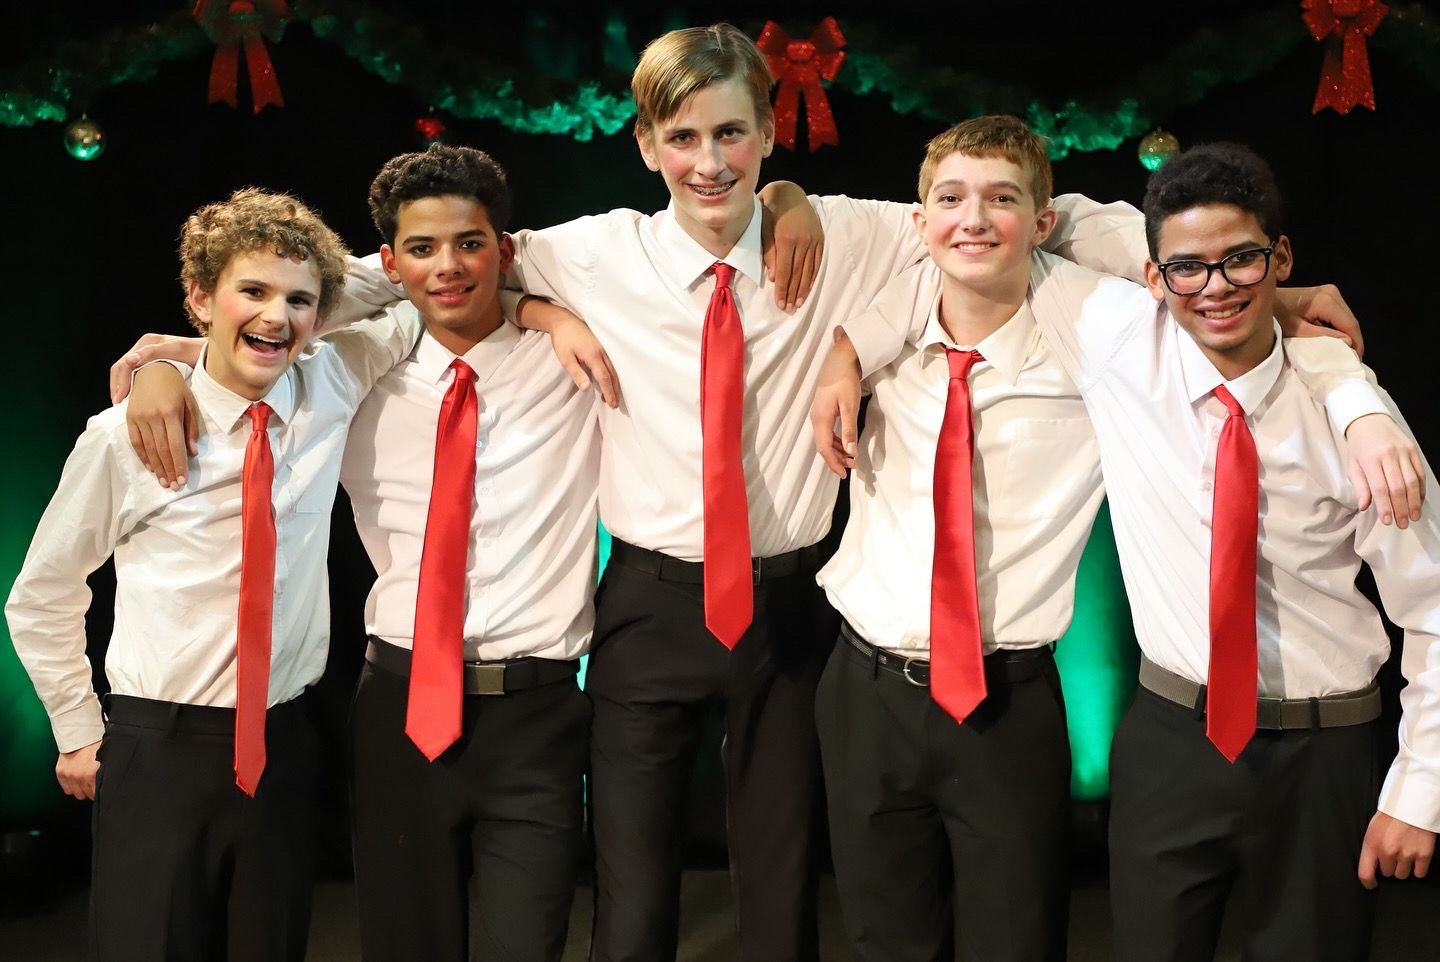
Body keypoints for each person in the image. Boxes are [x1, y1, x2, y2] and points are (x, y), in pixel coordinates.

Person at [808, 116, 1421, 962]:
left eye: (1242, 260)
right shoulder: (1046, 331)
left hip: (1263, 736)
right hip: (917, 692)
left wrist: (1355, 395)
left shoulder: (1109, 341)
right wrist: (847, 348)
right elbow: (951, 247)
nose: (975, 218)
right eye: (952, 199)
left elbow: (1203, 292)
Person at [5, 187, 419, 961]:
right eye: (252, 291)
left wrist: (185, 346)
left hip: (284, 742)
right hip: (160, 747)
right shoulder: (125, 434)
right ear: (200, 294)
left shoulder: (334, 379)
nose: (277, 315)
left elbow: (422, 277)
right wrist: (75, 730)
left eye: (300, 300)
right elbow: (43, 593)